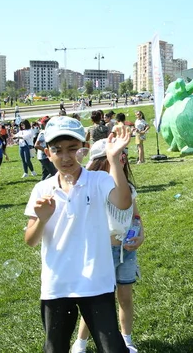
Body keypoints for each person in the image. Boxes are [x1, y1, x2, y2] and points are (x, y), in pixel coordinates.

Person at [24, 116, 131, 353]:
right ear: (47, 153)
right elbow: (31, 240)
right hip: (57, 283)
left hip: (96, 281)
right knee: (55, 347)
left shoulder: (98, 180)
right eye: (57, 150)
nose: (65, 157)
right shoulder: (42, 189)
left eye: (72, 149)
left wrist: (114, 161)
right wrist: (42, 218)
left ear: (83, 149)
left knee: (112, 347)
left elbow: (123, 203)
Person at [73, 139, 144, 353]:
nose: (121, 159)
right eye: (114, 156)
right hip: (102, 253)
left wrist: (141, 235)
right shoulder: (94, 190)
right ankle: (80, 343)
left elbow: (136, 216)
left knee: (125, 297)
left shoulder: (128, 189)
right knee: (97, 301)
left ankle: (127, 339)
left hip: (127, 252)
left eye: (123, 155)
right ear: (100, 161)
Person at [34, 116, 57, 180]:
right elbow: (36, 145)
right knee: (54, 173)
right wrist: (45, 150)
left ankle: (42, 184)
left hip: (47, 156)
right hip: (44, 157)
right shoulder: (43, 133)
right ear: (45, 124)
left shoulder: (51, 132)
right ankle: (43, 185)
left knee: (45, 173)